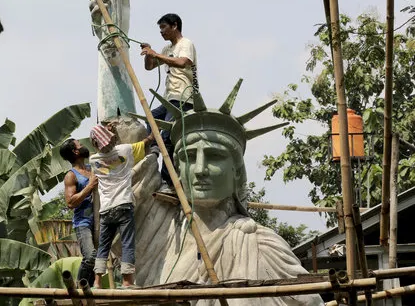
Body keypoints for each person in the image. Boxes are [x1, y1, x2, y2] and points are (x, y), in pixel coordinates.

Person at [126, 85, 325, 306]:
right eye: (190, 157)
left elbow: (310, 301)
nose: (200, 169)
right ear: (178, 169)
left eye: (214, 156)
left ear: (237, 171)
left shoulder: (261, 245)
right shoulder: (163, 237)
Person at [89, 122, 152, 289]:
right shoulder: (125, 150)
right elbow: (147, 141)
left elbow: (104, 156)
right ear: (112, 139)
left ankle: (96, 282)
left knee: (103, 246)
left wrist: (108, 133)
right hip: (123, 204)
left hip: (106, 209)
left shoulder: (94, 160)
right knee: (127, 243)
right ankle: (127, 281)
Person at [140, 13, 198, 193]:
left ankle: (170, 182)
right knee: (150, 118)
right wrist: (149, 53)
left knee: (167, 136)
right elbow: (149, 67)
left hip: (184, 97)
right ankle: (156, 147)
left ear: (174, 26)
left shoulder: (185, 44)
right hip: (169, 98)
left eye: (163, 28)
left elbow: (182, 62)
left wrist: (156, 54)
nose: (161, 32)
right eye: (160, 29)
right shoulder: (167, 49)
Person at [60, 138, 98, 287]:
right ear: (75, 152)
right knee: (90, 257)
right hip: (83, 222)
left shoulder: (92, 168)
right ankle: (78, 286)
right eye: (80, 145)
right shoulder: (71, 175)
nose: (83, 146)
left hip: (100, 219)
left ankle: (90, 288)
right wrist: (89, 187)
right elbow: (70, 202)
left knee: (100, 259)